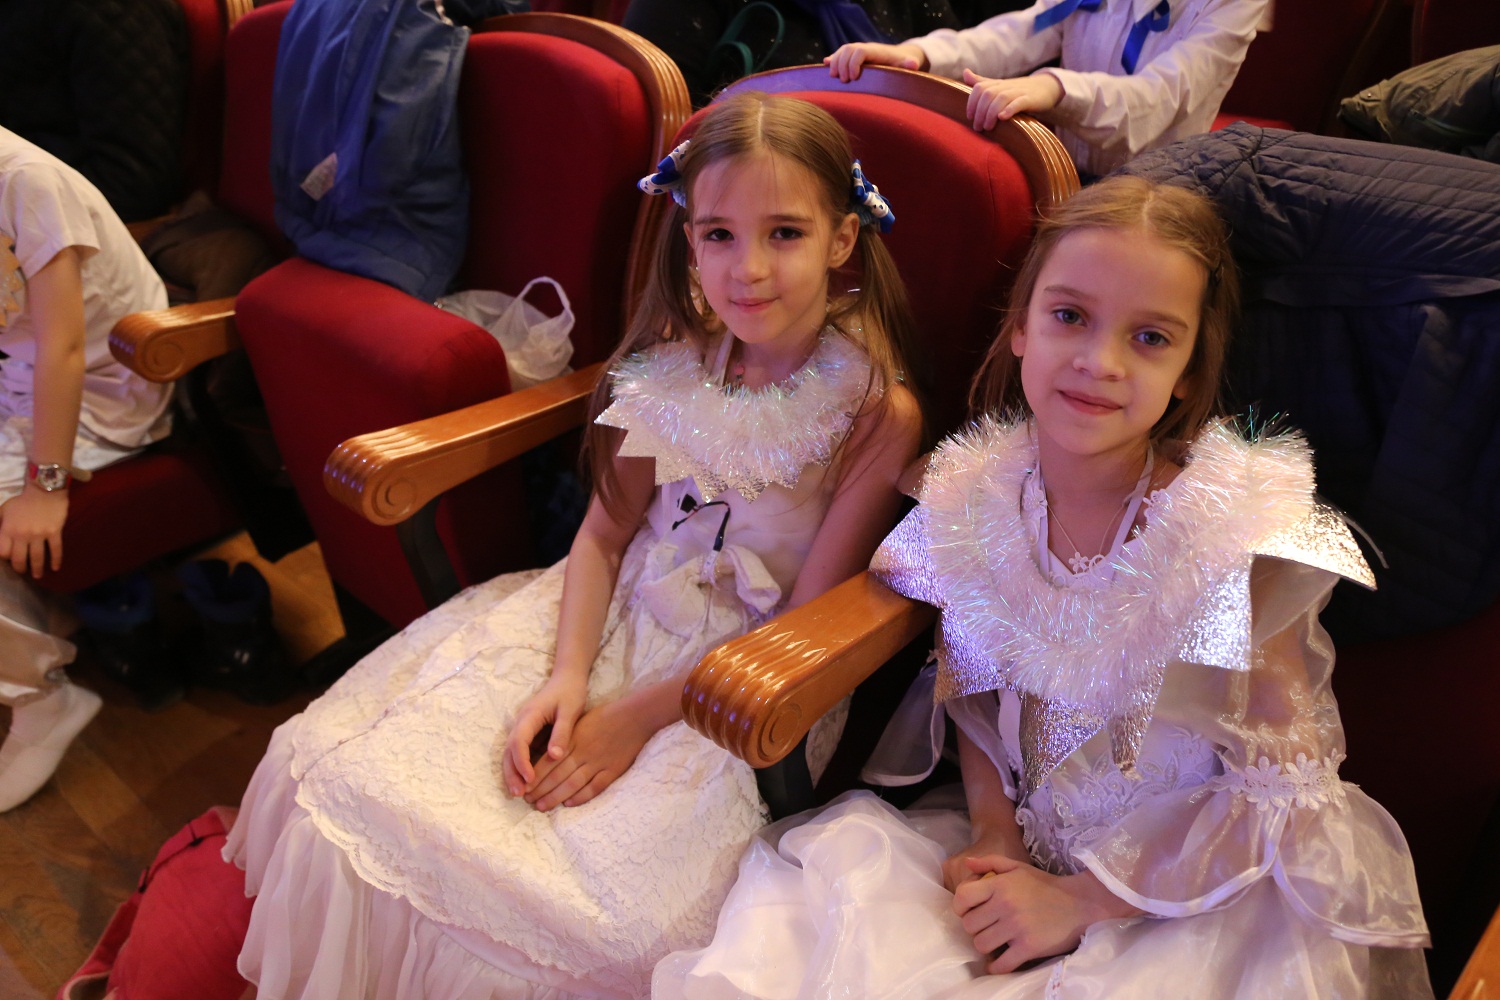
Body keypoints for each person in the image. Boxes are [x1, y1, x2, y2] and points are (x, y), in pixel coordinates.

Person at [653, 176, 1435, 999]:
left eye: (1150, 337)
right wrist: (994, 829)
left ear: (1187, 369)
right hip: (1030, 859)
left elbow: (1287, 796)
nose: (1100, 362)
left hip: (1198, 901)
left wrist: (1081, 903)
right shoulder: (979, 499)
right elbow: (976, 694)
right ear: (1020, 326)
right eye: (1070, 317)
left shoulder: (1225, 537)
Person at [224, 91, 925, 1000]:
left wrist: (633, 719)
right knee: (358, 769)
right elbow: (603, 533)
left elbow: (800, 622)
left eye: (784, 233)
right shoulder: (679, 353)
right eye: (718, 234)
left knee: (599, 922)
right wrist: (568, 675)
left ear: (842, 238)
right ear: (689, 239)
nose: (747, 269)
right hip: (612, 609)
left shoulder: (874, 412)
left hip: (747, 677)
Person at [0, 127, 175, 812]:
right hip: (22, 377)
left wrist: (45, 487)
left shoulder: (27, 181)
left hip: (103, 394)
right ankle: (38, 629)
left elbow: (66, 348)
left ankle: (41, 699)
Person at [824, 0, 1270, 178]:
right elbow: (1025, 30)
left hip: (1163, 186)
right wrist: (918, 54)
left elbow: (1162, 95)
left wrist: (1054, 88)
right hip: (1068, 171)